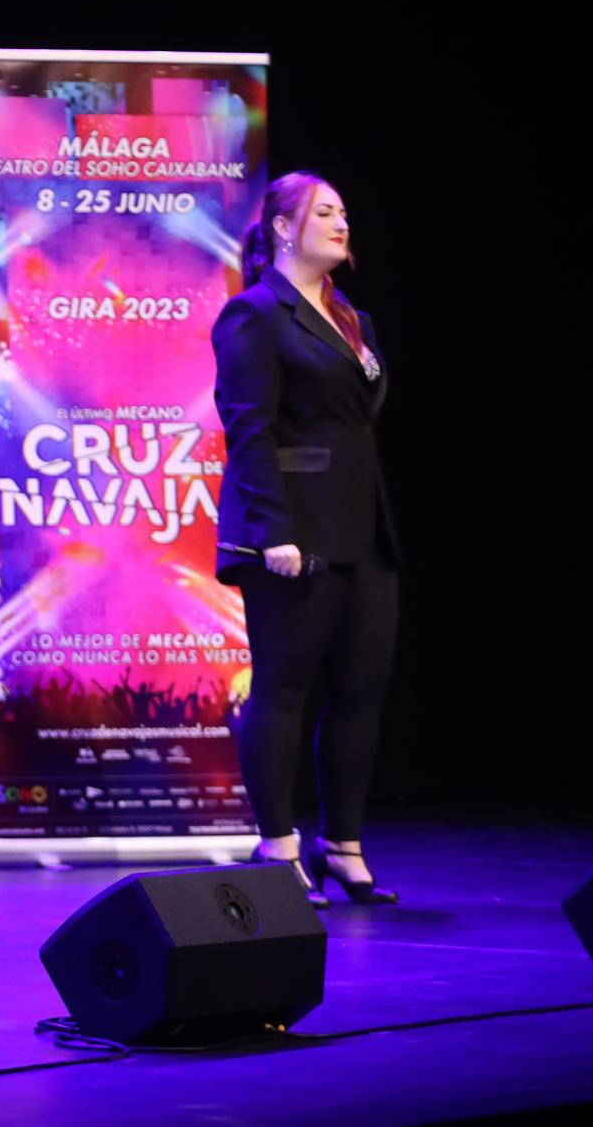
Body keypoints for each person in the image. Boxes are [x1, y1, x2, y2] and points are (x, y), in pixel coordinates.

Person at [213, 170, 400, 906]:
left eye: (344, 212)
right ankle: (277, 844)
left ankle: (342, 844)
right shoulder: (255, 314)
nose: (340, 221)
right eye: (324, 211)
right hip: (292, 531)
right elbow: (249, 428)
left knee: (361, 690)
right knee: (285, 688)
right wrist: (273, 530)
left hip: (365, 528)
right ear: (283, 227)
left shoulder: (354, 319)